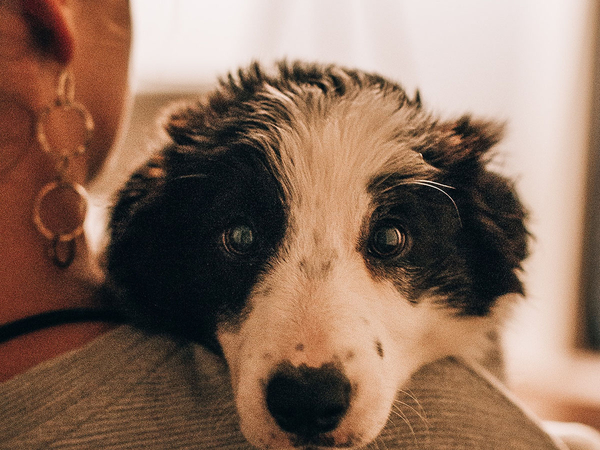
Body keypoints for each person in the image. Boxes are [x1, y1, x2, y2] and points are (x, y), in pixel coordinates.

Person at [0, 1, 585, 448]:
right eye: (240, 239)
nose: (312, 352)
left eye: (388, 240)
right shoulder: (457, 431)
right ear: (50, 16)